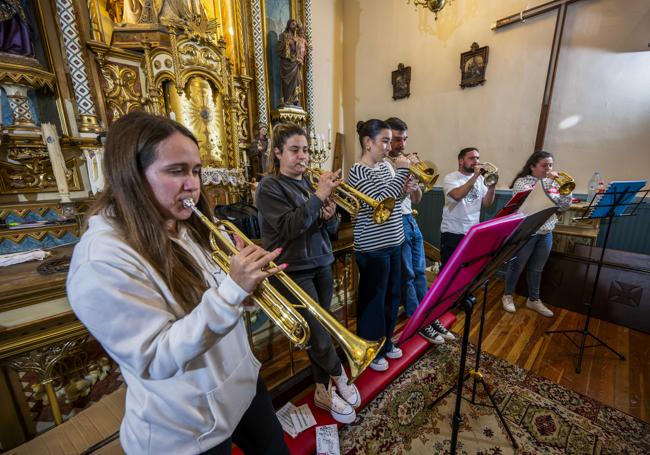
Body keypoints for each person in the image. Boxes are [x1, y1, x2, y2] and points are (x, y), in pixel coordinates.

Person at [66, 111, 290, 455]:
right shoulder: (100, 260)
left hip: (242, 389)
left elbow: (215, 298)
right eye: (177, 171)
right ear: (131, 176)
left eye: (196, 170)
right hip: (188, 428)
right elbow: (155, 357)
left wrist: (249, 288)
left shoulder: (185, 223)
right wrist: (233, 290)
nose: (193, 184)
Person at [256, 122, 361, 424]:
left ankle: (321, 390)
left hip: (321, 263)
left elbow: (324, 229)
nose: (302, 156)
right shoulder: (270, 187)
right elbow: (288, 227)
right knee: (317, 332)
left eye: (304, 150)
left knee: (320, 332)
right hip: (293, 270)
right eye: (294, 150)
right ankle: (340, 378)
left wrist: (328, 216)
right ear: (277, 153)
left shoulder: (308, 185)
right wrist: (318, 198)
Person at [385, 117, 455, 345]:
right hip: (395, 222)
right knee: (408, 275)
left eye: (404, 139)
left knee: (420, 271)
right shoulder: (383, 164)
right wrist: (403, 171)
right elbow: (388, 200)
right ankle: (418, 321)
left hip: (410, 220)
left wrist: (414, 181)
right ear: (385, 139)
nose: (402, 144)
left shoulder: (404, 163)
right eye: (397, 139)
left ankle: (429, 316)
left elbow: (416, 199)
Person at [348, 119, 409, 373]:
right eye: (384, 140)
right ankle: (371, 349)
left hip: (395, 240)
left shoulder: (386, 165)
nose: (388, 146)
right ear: (367, 142)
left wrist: (407, 189)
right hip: (372, 248)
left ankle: (385, 343)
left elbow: (393, 200)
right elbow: (382, 198)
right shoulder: (358, 171)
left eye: (388, 140)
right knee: (373, 301)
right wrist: (404, 171)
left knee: (392, 297)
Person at [502, 151, 572, 317]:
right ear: (533, 166)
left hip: (546, 231)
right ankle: (507, 295)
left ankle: (533, 299)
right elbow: (533, 201)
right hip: (528, 232)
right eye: (544, 165)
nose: (548, 169)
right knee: (516, 266)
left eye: (550, 165)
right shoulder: (522, 182)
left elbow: (563, 207)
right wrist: (549, 183)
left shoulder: (553, 183)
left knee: (537, 269)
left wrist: (566, 192)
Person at [440, 147, 496, 268]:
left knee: (467, 269)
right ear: (461, 161)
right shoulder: (451, 178)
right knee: (449, 270)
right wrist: (475, 176)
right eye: (471, 158)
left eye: (477, 158)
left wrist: (492, 187)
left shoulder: (481, 179)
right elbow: (457, 196)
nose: (476, 161)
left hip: (472, 232)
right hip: (453, 232)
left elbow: (487, 204)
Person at [276, 19, 304, 106]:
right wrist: (287, 43)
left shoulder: (296, 38)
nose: (294, 27)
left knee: (296, 81)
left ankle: (295, 98)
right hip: (286, 64)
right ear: (288, 25)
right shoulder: (283, 35)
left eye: (295, 25)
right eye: (292, 24)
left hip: (294, 63)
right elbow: (278, 50)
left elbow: (299, 50)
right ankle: (286, 99)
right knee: (286, 83)